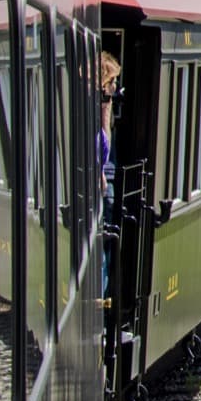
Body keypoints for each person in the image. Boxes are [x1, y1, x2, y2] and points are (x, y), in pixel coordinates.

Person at [97, 51, 120, 296]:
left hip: (101, 189)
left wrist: (107, 108)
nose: (115, 88)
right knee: (102, 253)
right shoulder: (92, 115)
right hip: (97, 193)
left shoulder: (101, 110)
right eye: (112, 82)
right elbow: (103, 147)